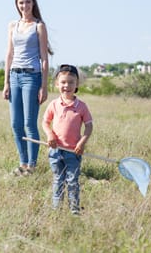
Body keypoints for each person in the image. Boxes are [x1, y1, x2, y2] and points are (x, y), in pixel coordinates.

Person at [3, 0, 52, 176]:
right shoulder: (12, 26)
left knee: (29, 124)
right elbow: (9, 54)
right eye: (21, 3)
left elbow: (44, 58)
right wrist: (6, 82)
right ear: (17, 4)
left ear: (33, 4)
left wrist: (44, 86)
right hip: (14, 76)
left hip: (32, 76)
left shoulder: (39, 26)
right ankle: (23, 163)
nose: (25, 6)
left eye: (28, 2)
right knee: (15, 124)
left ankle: (32, 166)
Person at [42, 64, 93, 215]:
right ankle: (56, 210)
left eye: (71, 82)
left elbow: (89, 127)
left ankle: (74, 210)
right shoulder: (54, 104)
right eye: (63, 82)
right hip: (56, 151)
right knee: (58, 180)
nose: (67, 85)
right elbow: (45, 122)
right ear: (57, 84)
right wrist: (50, 135)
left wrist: (82, 142)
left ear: (77, 84)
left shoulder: (81, 106)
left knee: (72, 181)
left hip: (73, 152)